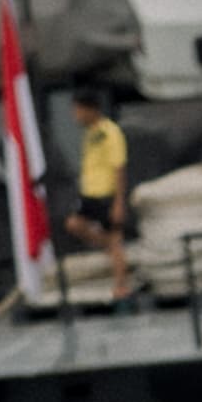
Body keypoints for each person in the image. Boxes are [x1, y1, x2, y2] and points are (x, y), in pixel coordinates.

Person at [67, 94, 132, 302]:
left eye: (78, 110)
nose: (75, 115)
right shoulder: (90, 134)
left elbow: (119, 166)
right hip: (90, 194)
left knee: (114, 238)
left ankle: (121, 285)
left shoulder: (110, 132)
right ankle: (110, 248)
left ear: (90, 109)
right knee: (74, 224)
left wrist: (119, 202)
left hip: (107, 195)